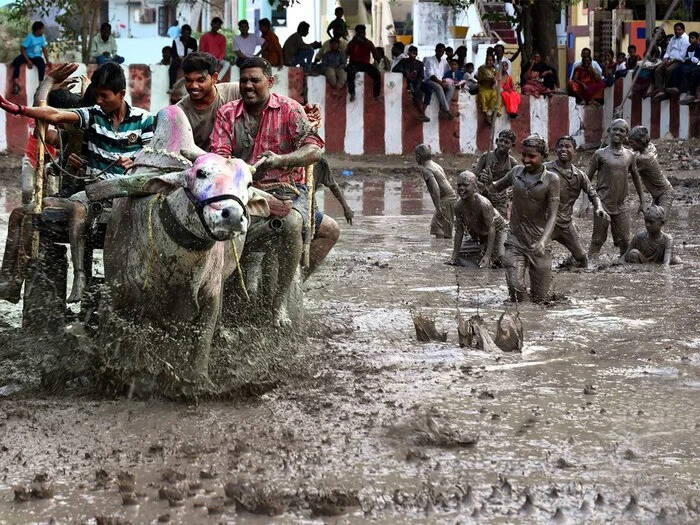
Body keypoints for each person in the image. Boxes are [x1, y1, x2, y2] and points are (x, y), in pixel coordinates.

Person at [0, 62, 154, 302]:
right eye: (97, 95)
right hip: (91, 194)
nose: (99, 100)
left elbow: (153, 154)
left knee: (78, 207)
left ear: (122, 94)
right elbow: (54, 114)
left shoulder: (144, 119)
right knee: (27, 212)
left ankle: (82, 276)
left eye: (104, 96)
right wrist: (18, 109)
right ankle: (12, 282)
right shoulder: (92, 114)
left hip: (126, 197)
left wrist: (136, 159)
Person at [209, 57, 333, 325]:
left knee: (289, 223)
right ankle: (223, 296)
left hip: (288, 189)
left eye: (255, 80)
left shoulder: (290, 110)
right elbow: (219, 159)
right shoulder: (227, 113)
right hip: (243, 191)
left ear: (270, 81)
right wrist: (245, 179)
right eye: (244, 81)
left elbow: (314, 149)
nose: (248, 86)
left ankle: (279, 302)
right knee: (222, 224)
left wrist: (281, 159)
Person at [488, 134, 560, 303]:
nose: (526, 160)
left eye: (532, 156)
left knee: (541, 299)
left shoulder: (552, 179)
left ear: (543, 157)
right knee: (515, 288)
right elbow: (493, 189)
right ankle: (522, 319)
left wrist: (543, 241)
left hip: (539, 243)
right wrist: (487, 181)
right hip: (515, 241)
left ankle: (534, 323)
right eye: (524, 155)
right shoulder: (515, 172)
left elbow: (553, 215)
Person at [545, 135, 608, 268]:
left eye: (567, 146)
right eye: (560, 146)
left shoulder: (580, 175)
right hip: (546, 223)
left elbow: (593, 194)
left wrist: (599, 208)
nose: (563, 149)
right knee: (538, 255)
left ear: (574, 152)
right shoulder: (546, 169)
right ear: (556, 150)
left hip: (566, 225)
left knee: (582, 258)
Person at [587, 119, 645, 259]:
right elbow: (586, 179)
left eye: (622, 131)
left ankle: (622, 271)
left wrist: (642, 201)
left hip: (622, 205)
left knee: (624, 241)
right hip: (602, 204)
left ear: (626, 135)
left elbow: (636, 177)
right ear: (609, 131)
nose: (617, 133)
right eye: (615, 129)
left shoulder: (630, 155)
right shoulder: (600, 154)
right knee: (597, 240)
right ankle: (588, 269)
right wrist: (585, 202)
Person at [445, 171, 507, 269]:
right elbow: (459, 231)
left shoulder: (484, 204)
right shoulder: (458, 206)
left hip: (498, 231)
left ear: (475, 188)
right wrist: (454, 257)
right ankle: (484, 252)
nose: (461, 188)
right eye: (459, 185)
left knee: (502, 259)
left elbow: (492, 228)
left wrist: (487, 256)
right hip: (480, 235)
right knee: (461, 255)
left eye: (465, 185)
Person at [628, 126, 674, 217]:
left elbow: (624, 168)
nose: (630, 145)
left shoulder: (643, 159)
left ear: (640, 142)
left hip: (665, 194)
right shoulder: (651, 148)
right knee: (653, 221)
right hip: (658, 194)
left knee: (658, 221)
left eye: (631, 142)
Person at [414, 144, 458, 239]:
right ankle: (446, 248)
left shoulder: (427, 170)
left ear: (418, 156)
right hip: (452, 198)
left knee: (437, 227)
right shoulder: (435, 165)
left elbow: (436, 188)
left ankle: (439, 251)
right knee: (446, 229)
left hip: (445, 200)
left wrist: (438, 208)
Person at [475, 129, 519, 218]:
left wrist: (511, 191)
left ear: (512, 145)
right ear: (496, 141)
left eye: (506, 142)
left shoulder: (513, 163)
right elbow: (473, 177)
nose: (502, 144)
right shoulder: (486, 157)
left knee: (500, 220)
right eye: (501, 140)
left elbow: (516, 183)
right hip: (484, 193)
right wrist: (480, 177)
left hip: (501, 198)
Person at [11, 21, 51, 95]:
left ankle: (40, 85)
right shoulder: (29, 37)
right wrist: (28, 61)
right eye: (42, 29)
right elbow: (22, 49)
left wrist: (47, 60)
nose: (43, 31)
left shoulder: (41, 37)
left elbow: (44, 49)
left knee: (41, 63)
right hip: (27, 55)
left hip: (36, 56)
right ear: (38, 30)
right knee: (17, 62)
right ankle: (16, 83)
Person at [392, 45, 429, 122]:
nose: (413, 55)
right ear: (408, 53)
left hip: (418, 82)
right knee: (414, 93)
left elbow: (421, 76)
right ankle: (421, 112)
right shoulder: (404, 61)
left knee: (429, 89)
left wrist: (418, 86)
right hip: (409, 83)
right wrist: (405, 72)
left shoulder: (420, 64)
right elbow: (394, 69)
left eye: (415, 53)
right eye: (412, 53)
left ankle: (423, 110)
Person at [653, 22, 689, 100]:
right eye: (675, 29)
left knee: (669, 70)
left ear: (683, 30)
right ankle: (660, 90)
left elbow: (682, 56)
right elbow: (668, 51)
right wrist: (666, 59)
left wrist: (671, 62)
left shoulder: (686, 39)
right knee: (658, 70)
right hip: (670, 59)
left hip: (679, 61)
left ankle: (668, 90)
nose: (677, 31)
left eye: (679, 29)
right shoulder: (673, 38)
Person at [313, 157, 354, 225]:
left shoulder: (320, 163)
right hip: (292, 200)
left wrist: (346, 208)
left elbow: (333, 185)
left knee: (331, 228)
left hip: (310, 204)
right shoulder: (291, 161)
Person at [346, 25, 381, 102]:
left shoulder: (368, 43)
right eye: (359, 33)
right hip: (354, 63)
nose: (361, 34)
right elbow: (347, 53)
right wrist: (353, 42)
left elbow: (376, 55)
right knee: (350, 72)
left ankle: (376, 95)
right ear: (356, 33)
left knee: (377, 74)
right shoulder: (352, 43)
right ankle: (352, 93)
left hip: (365, 64)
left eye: (362, 33)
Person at [422, 43, 455, 119]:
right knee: (439, 87)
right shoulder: (429, 60)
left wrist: (446, 81)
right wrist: (441, 83)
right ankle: (447, 110)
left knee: (451, 88)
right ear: (435, 50)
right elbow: (431, 75)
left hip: (440, 80)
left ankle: (443, 109)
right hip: (430, 81)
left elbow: (448, 72)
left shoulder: (444, 61)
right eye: (439, 51)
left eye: (442, 52)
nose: (441, 53)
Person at [674, 31, 700, 104]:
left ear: (697, 39)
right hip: (690, 63)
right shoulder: (689, 47)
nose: (690, 40)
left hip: (697, 64)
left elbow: (696, 59)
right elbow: (687, 58)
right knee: (678, 68)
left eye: (693, 38)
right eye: (690, 38)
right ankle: (676, 87)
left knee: (691, 71)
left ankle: (691, 93)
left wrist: (691, 61)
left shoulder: (698, 47)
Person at [169, 24, 198, 89]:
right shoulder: (176, 41)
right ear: (181, 33)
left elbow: (195, 53)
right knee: (172, 68)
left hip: (189, 60)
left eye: (188, 33)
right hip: (178, 59)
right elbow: (173, 53)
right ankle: (171, 87)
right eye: (185, 33)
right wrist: (180, 59)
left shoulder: (193, 41)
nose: (186, 35)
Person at [477, 54, 499, 123]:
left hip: (491, 88)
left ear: (493, 61)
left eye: (490, 60)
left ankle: (490, 113)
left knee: (495, 95)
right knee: (482, 95)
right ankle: (487, 114)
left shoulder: (495, 70)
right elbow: (479, 80)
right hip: (483, 87)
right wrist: (485, 78)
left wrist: (493, 80)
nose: (488, 61)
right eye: (487, 60)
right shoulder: (481, 69)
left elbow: (496, 81)